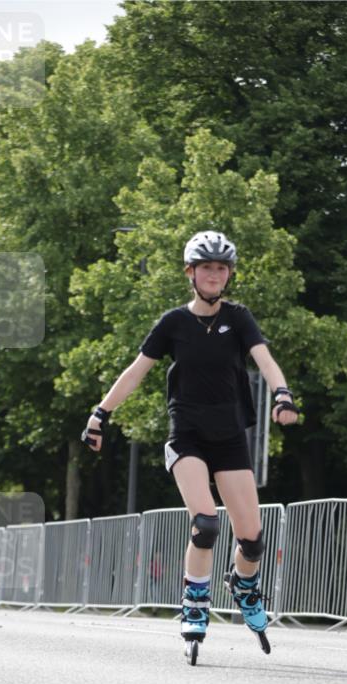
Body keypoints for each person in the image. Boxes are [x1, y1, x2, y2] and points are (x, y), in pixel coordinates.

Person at [81, 230, 298, 650]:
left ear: (228, 274)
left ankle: (244, 585)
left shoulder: (238, 317)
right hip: (188, 437)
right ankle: (195, 601)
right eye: (206, 267)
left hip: (231, 437)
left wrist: (283, 394)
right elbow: (136, 371)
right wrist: (99, 414)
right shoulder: (173, 323)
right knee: (206, 524)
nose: (215, 274)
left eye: (221, 268)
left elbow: (265, 360)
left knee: (252, 539)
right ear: (191, 273)